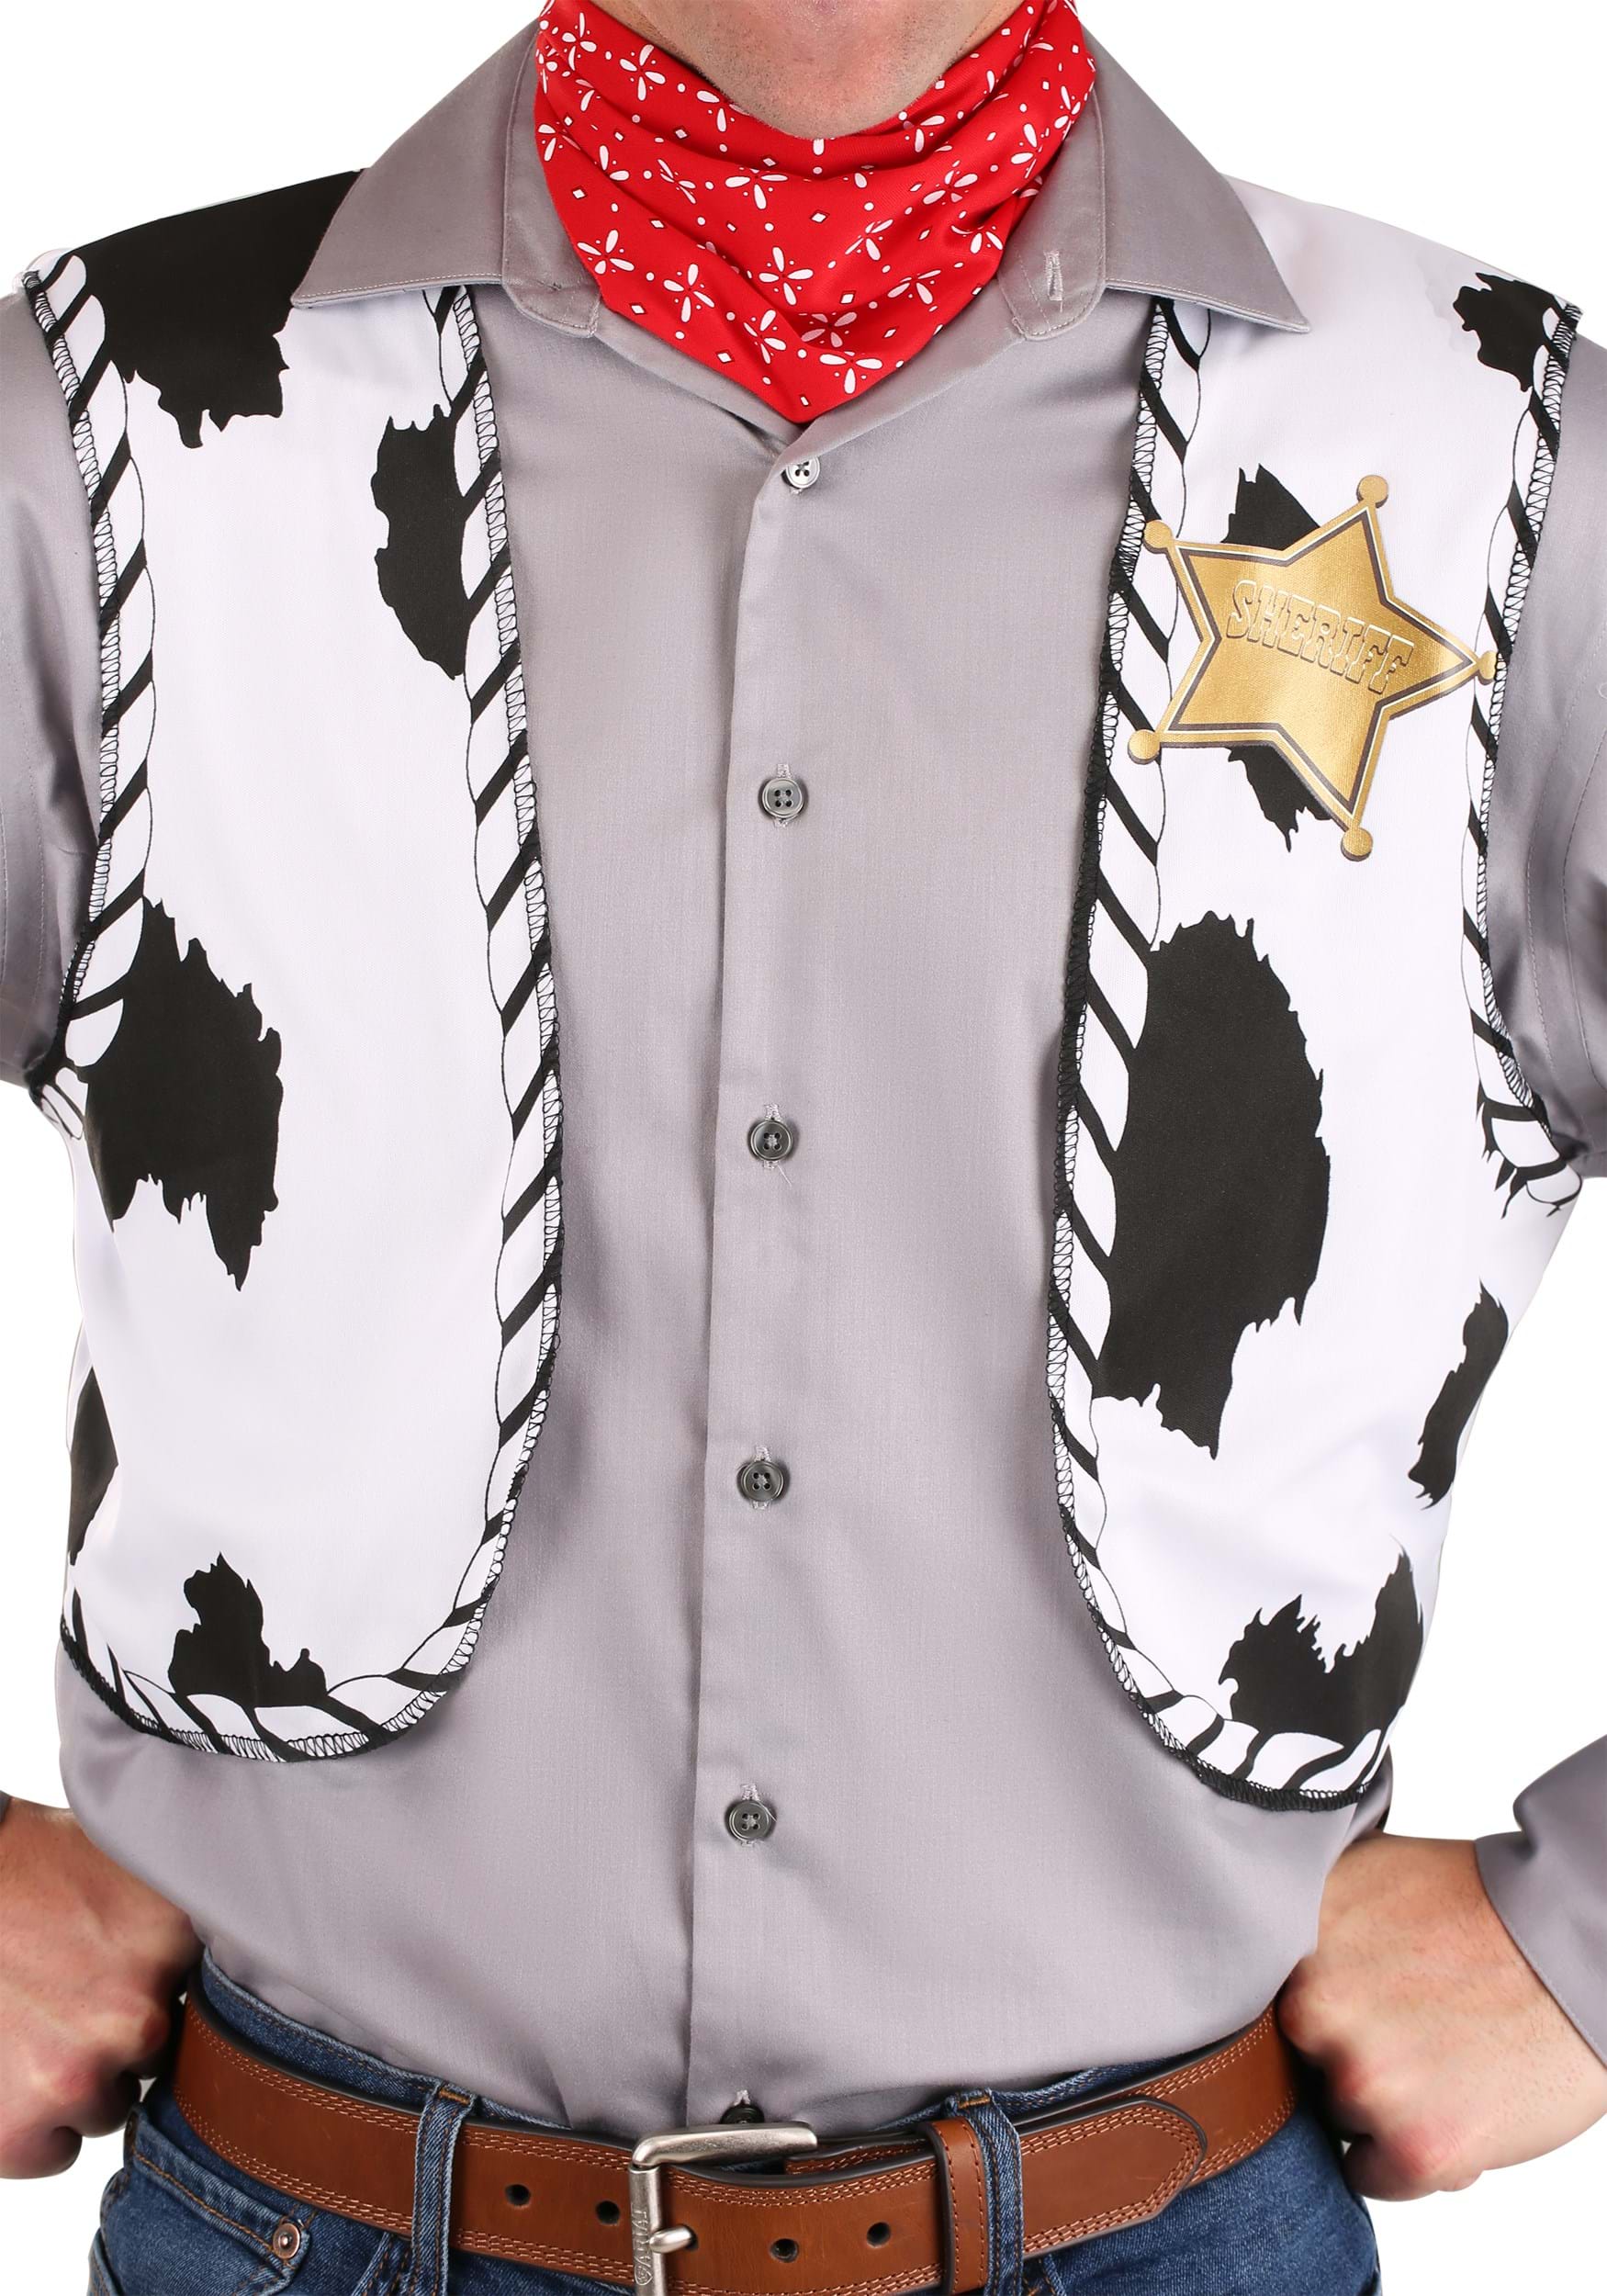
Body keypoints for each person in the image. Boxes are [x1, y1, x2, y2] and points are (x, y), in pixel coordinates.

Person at [1, 3, 1603, 2290]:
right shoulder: (113, 430)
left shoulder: (1488, 459)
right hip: (305, 2212)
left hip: (1163, 2219)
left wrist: (1579, 1938)